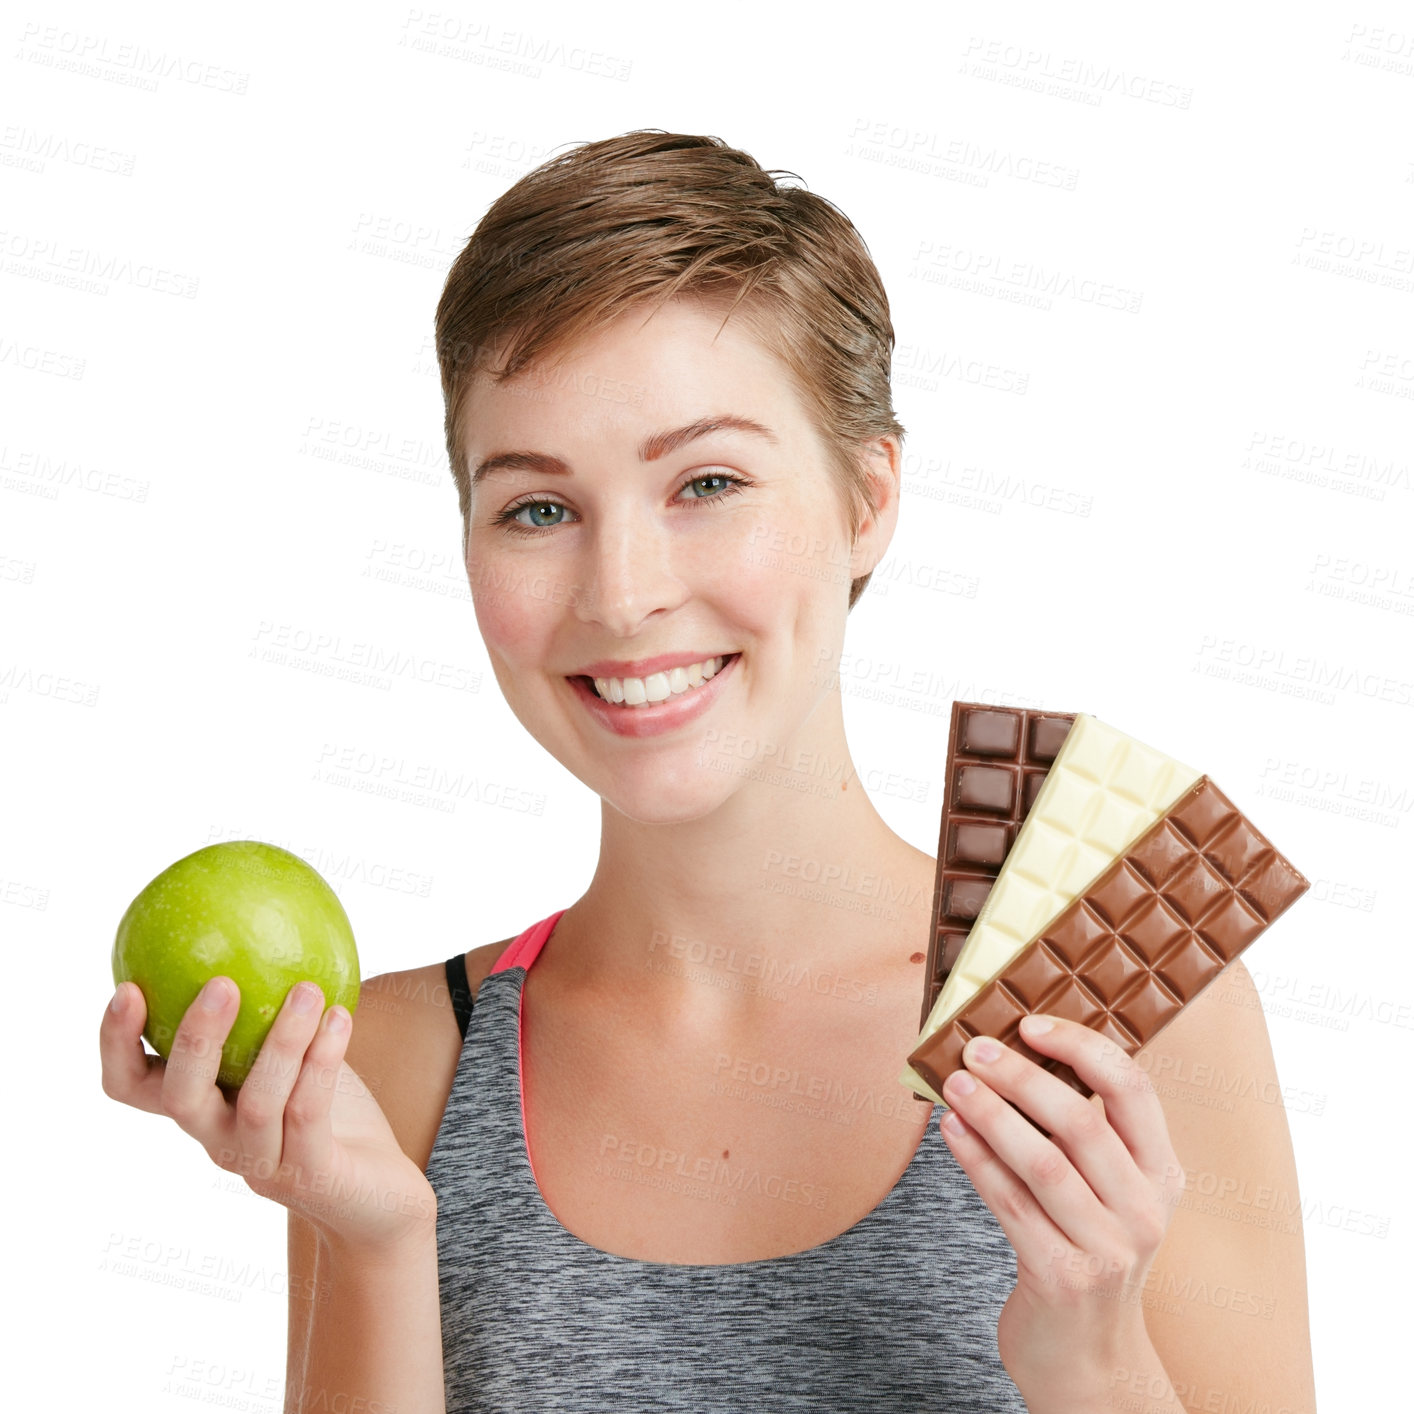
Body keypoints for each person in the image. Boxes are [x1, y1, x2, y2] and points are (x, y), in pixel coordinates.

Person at [101, 130, 1316, 1413]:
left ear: (866, 497)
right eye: (536, 507)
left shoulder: (1117, 1000)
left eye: (708, 481)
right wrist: (376, 1238)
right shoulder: (392, 1061)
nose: (623, 596)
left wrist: (1092, 1351)